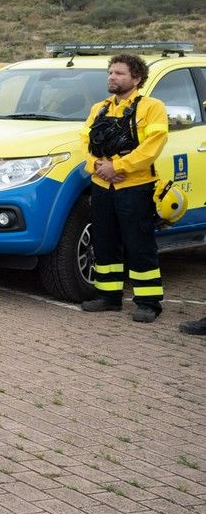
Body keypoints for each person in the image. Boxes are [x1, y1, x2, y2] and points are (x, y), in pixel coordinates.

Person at [79, 54, 169, 322]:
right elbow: (84, 141)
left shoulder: (152, 107)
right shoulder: (99, 109)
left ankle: (149, 303)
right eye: (111, 73)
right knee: (104, 241)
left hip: (136, 187)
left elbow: (153, 146)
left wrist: (118, 167)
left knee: (139, 244)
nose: (112, 77)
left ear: (136, 78)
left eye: (119, 73)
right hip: (101, 186)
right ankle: (108, 297)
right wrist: (97, 165)